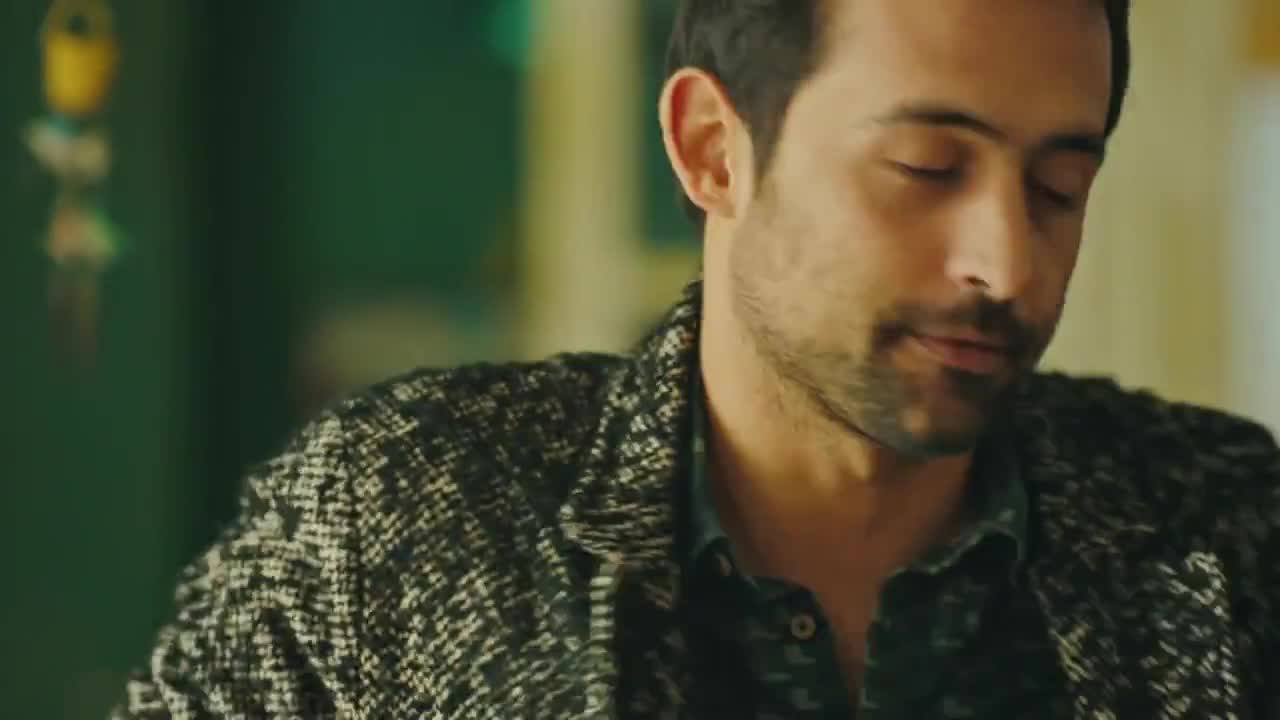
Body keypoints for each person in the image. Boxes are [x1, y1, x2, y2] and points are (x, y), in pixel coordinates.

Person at [113, 1, 1280, 718]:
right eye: (926, 169)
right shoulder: (403, 512)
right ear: (713, 149)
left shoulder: (1226, 533)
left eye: (1058, 188)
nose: (1005, 261)